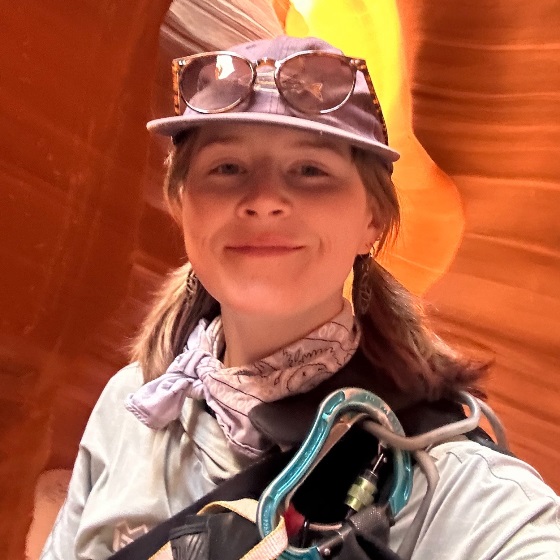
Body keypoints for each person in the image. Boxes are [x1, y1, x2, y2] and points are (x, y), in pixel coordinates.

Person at [41, 35, 560, 560]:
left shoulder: (444, 479)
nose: (264, 199)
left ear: (371, 222)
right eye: (227, 168)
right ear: (182, 207)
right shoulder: (133, 405)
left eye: (310, 170)